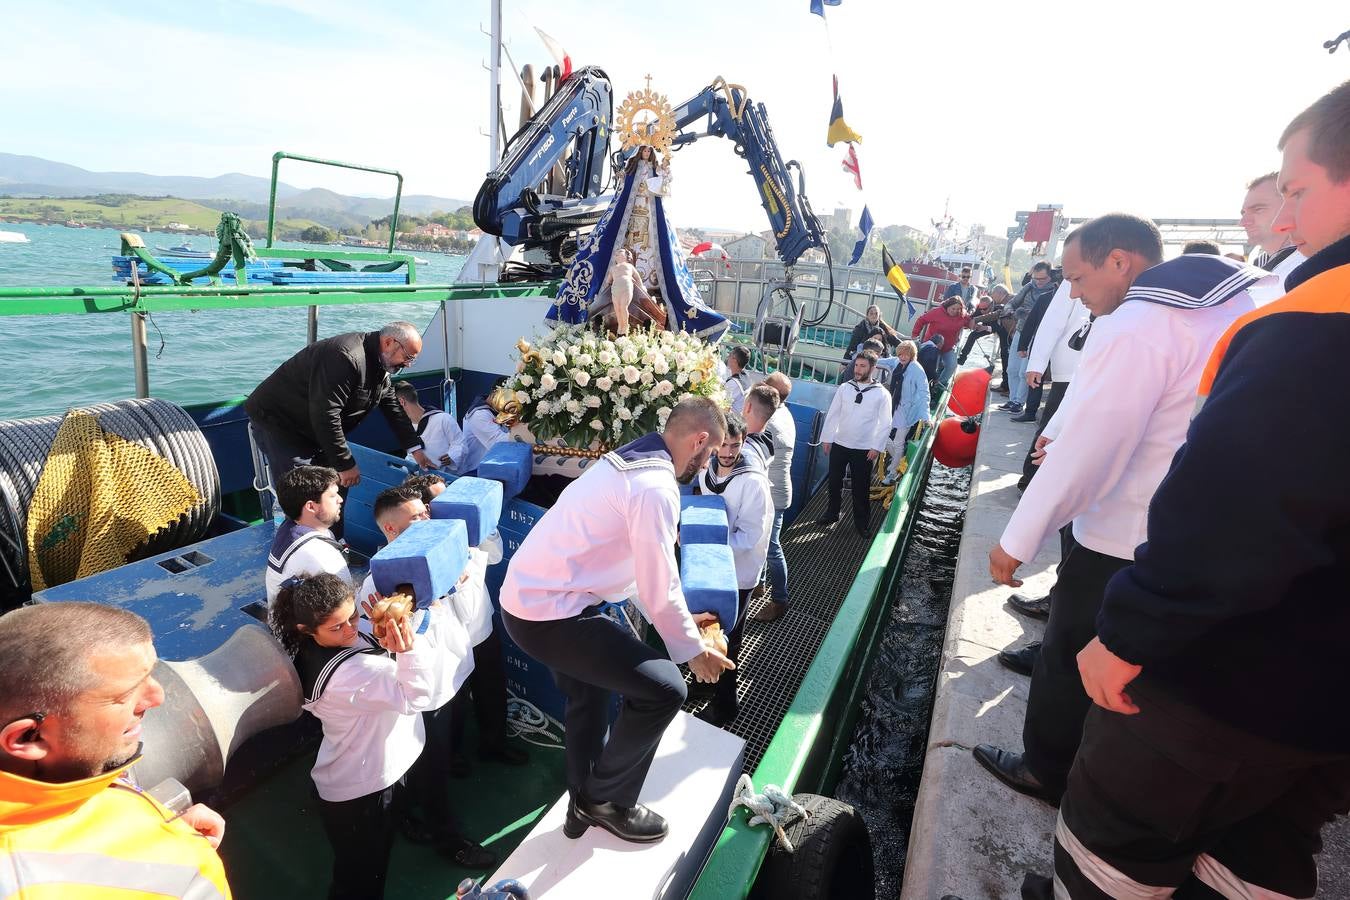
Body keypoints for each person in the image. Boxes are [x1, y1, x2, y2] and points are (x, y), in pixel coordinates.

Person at [1027, 78, 1350, 900]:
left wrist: (1131, 630)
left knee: (1113, 850)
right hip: (1326, 708)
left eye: (1300, 191)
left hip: (1226, 675)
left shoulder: (1310, 326)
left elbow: (1234, 508)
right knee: (1259, 859)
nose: (1284, 221)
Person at [977, 214, 1261, 809]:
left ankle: (1047, 767)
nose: (1074, 294)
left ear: (1119, 262)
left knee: (1068, 648)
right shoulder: (1235, 294)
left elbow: (1095, 447)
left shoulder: (1138, 322)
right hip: (1190, 526)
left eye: (1078, 279)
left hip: (1123, 529)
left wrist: (1018, 538)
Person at [499, 398, 735, 844]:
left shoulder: (626, 461)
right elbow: (657, 584)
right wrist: (693, 652)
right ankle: (605, 800)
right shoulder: (655, 488)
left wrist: (684, 618)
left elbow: (635, 573)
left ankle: (581, 809)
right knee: (666, 689)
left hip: (530, 601)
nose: (706, 463)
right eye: (710, 452)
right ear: (700, 440)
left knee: (588, 702)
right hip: (549, 613)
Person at [0, 603, 231, 898]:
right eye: (124, 695)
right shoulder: (186, 874)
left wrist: (148, 821)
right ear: (29, 738)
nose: (157, 696)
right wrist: (166, 845)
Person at [270, 571, 464, 898]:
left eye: (354, 616)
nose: (351, 629)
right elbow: (416, 697)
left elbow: (360, 639)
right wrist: (407, 649)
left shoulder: (312, 644)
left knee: (362, 864)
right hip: (363, 792)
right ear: (306, 629)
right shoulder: (352, 673)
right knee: (362, 879)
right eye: (338, 626)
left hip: (360, 773)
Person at [244, 322, 434, 538]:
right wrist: (345, 463)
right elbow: (326, 414)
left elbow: (392, 407)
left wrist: (415, 448)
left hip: (316, 429)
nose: (408, 365)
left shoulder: (380, 363)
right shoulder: (345, 356)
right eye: (408, 357)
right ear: (389, 342)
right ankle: (299, 547)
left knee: (336, 486)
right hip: (282, 424)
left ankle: (334, 541)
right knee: (304, 493)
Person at [694, 413, 773, 728]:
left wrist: (709, 539)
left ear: (743, 443)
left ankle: (726, 705)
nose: (728, 452)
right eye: (723, 445)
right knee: (705, 626)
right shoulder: (709, 469)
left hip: (737, 571)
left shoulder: (752, 481)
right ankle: (702, 682)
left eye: (734, 445)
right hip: (711, 564)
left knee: (730, 636)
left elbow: (752, 535)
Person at [1016, 275, 1087, 487]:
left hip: (1096, 366)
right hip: (1069, 365)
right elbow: (1053, 320)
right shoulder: (1079, 270)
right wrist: (1037, 363)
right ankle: (1030, 478)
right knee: (1051, 424)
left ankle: (1055, 483)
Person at [818, 350, 891, 538]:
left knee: (861, 487)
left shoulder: (882, 394)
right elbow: (834, 412)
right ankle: (832, 513)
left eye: (862, 366)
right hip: (840, 444)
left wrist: (876, 447)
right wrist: (827, 438)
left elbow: (885, 423)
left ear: (873, 368)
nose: (857, 370)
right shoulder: (845, 388)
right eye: (856, 365)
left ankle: (861, 523)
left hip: (864, 449)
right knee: (834, 482)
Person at [265, 465, 351, 604]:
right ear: (311, 506)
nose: (340, 499)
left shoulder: (289, 528)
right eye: (333, 496)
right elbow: (347, 605)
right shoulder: (320, 556)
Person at [753, 373, 794, 624]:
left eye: (764, 386)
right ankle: (759, 584)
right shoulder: (784, 414)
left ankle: (780, 600)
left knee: (771, 548)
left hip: (773, 494)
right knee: (763, 542)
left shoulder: (771, 423)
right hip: (776, 490)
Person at [1242, 170, 1307, 305]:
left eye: (1258, 209)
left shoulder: (1308, 268)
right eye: (1243, 213)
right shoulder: (1268, 266)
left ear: (1290, 205)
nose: (1243, 222)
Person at [1006, 266, 1061, 422]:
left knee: (1031, 374)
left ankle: (1023, 405)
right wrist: (1014, 312)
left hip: (1051, 341)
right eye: (1035, 278)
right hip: (1031, 335)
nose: (1038, 282)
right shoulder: (1039, 293)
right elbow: (1015, 306)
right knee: (1020, 371)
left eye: (1042, 279)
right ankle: (1020, 405)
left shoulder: (1066, 298)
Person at [883, 340, 931, 483]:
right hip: (894, 405)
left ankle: (892, 471)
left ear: (912, 354)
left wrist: (926, 416)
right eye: (900, 354)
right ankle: (899, 458)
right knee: (882, 435)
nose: (902, 357)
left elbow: (924, 392)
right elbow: (882, 360)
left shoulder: (917, 369)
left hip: (908, 409)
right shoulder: (897, 362)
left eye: (906, 354)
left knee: (898, 441)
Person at [394, 381, 461, 471]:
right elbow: (411, 458)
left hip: (445, 478)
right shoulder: (405, 427)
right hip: (417, 478)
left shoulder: (443, 419)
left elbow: (460, 444)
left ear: (402, 401)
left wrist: (452, 456)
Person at [452, 383, 511, 475]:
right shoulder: (479, 415)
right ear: (494, 394)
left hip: (491, 467)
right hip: (476, 471)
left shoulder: (495, 410)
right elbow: (498, 444)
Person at [910, 297, 971, 386]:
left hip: (948, 347)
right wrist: (915, 336)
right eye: (953, 308)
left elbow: (969, 323)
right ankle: (923, 384)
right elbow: (921, 320)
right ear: (947, 306)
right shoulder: (937, 312)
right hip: (932, 347)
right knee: (929, 368)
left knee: (952, 365)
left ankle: (939, 385)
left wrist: (975, 325)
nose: (955, 311)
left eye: (958, 309)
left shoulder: (963, 315)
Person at [724, 345, 750, 415]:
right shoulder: (746, 375)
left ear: (734, 360)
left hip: (732, 420)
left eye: (729, 355)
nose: (728, 357)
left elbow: (722, 403)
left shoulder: (733, 383)